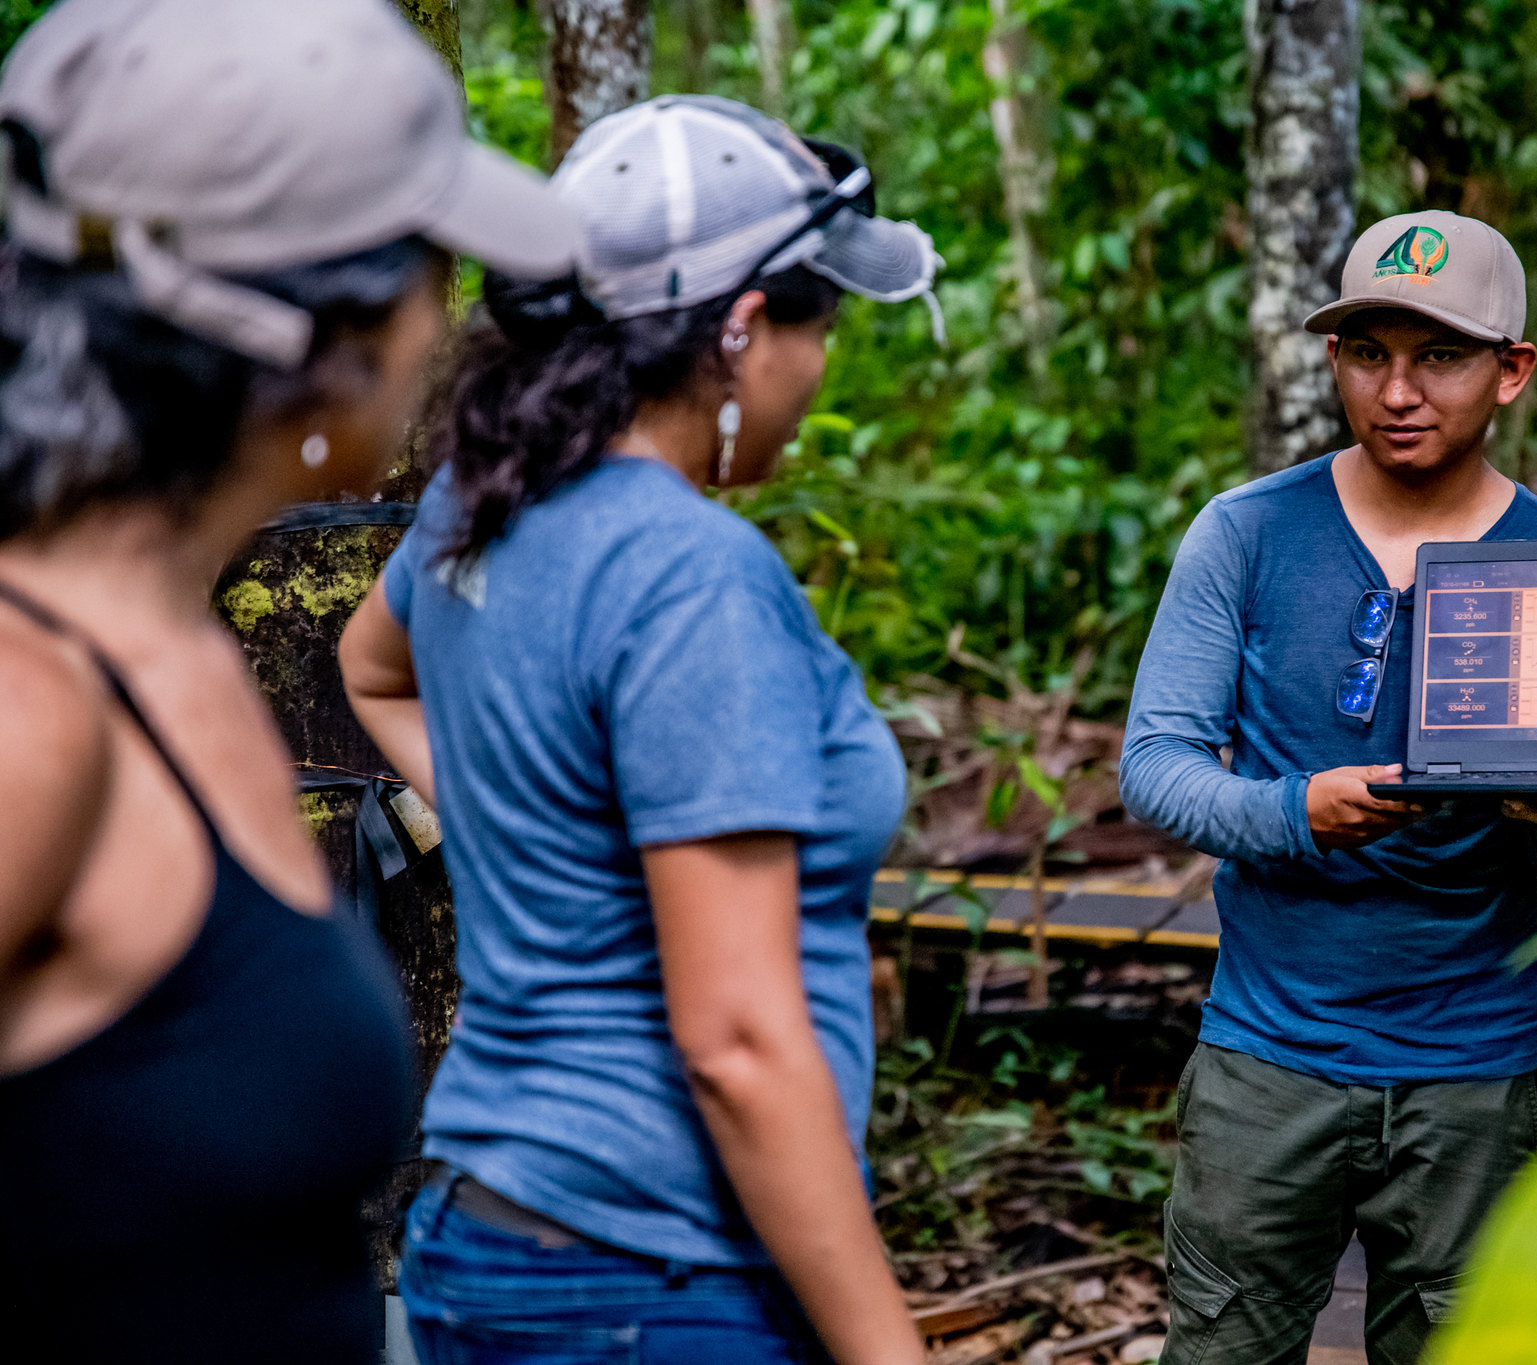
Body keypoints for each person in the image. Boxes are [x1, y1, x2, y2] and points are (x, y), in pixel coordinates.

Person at [0, 2, 576, 1362]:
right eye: (433, 269)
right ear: (324, 331)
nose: (446, 321)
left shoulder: (184, 645)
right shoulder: (34, 702)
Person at [338, 95, 941, 1365]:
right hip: (654, 1269)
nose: (818, 365)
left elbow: (371, 668)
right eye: (816, 321)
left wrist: (547, 837)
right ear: (740, 328)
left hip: (478, 1235)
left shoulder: (480, 504)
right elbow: (733, 1043)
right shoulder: (691, 574)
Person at [1121, 210, 1537, 1365]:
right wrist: (1291, 811)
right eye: (1367, 351)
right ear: (1333, 359)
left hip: (1476, 1066)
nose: (1397, 391)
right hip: (1267, 1056)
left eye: (1440, 355)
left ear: (1509, 371)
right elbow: (1154, 768)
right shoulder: (1246, 534)